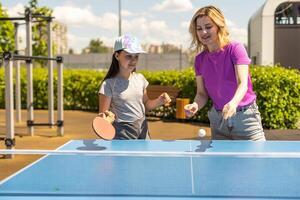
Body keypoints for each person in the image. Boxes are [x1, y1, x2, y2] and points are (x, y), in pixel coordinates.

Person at [185, 5, 265, 141]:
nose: (203, 32)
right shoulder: (199, 59)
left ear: (219, 27)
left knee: (258, 162)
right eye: (199, 29)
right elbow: (201, 94)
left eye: (208, 27)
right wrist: (195, 105)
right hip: (219, 122)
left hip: (245, 120)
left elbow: (243, 83)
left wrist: (233, 103)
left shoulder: (235, 49)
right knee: (221, 163)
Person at [98, 34, 171, 140]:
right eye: (128, 56)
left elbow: (145, 106)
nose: (133, 60)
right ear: (117, 56)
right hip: (122, 135)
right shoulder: (108, 85)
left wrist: (159, 101)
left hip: (143, 130)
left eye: (136, 56)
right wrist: (106, 121)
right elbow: (103, 118)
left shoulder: (140, 79)